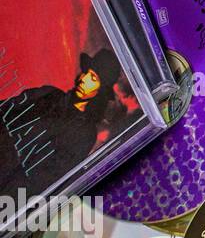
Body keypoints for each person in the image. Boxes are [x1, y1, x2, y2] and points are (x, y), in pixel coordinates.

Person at [0, 49, 123, 180]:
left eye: (93, 78)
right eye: (86, 73)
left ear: (100, 90)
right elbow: (7, 107)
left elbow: (51, 177)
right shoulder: (49, 94)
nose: (84, 79)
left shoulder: (85, 133)